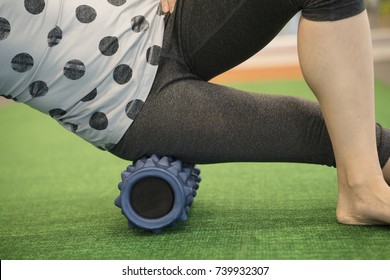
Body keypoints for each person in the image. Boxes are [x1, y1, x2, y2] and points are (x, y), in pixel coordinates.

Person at [1, 0, 389, 225]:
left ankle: (365, 182)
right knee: (345, 138)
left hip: (169, 19)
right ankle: (362, 191)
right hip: (131, 107)